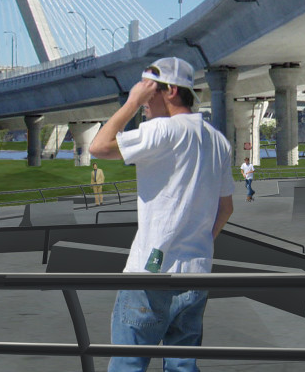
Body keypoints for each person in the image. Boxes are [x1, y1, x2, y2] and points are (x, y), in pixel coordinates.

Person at [89, 57, 235, 372]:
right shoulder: (218, 141)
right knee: (182, 367)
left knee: (128, 364)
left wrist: (130, 103)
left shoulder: (162, 130)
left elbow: (98, 146)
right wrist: (196, 243)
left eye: (147, 90)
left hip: (150, 273)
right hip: (196, 274)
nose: (142, 99)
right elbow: (226, 208)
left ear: (169, 92)